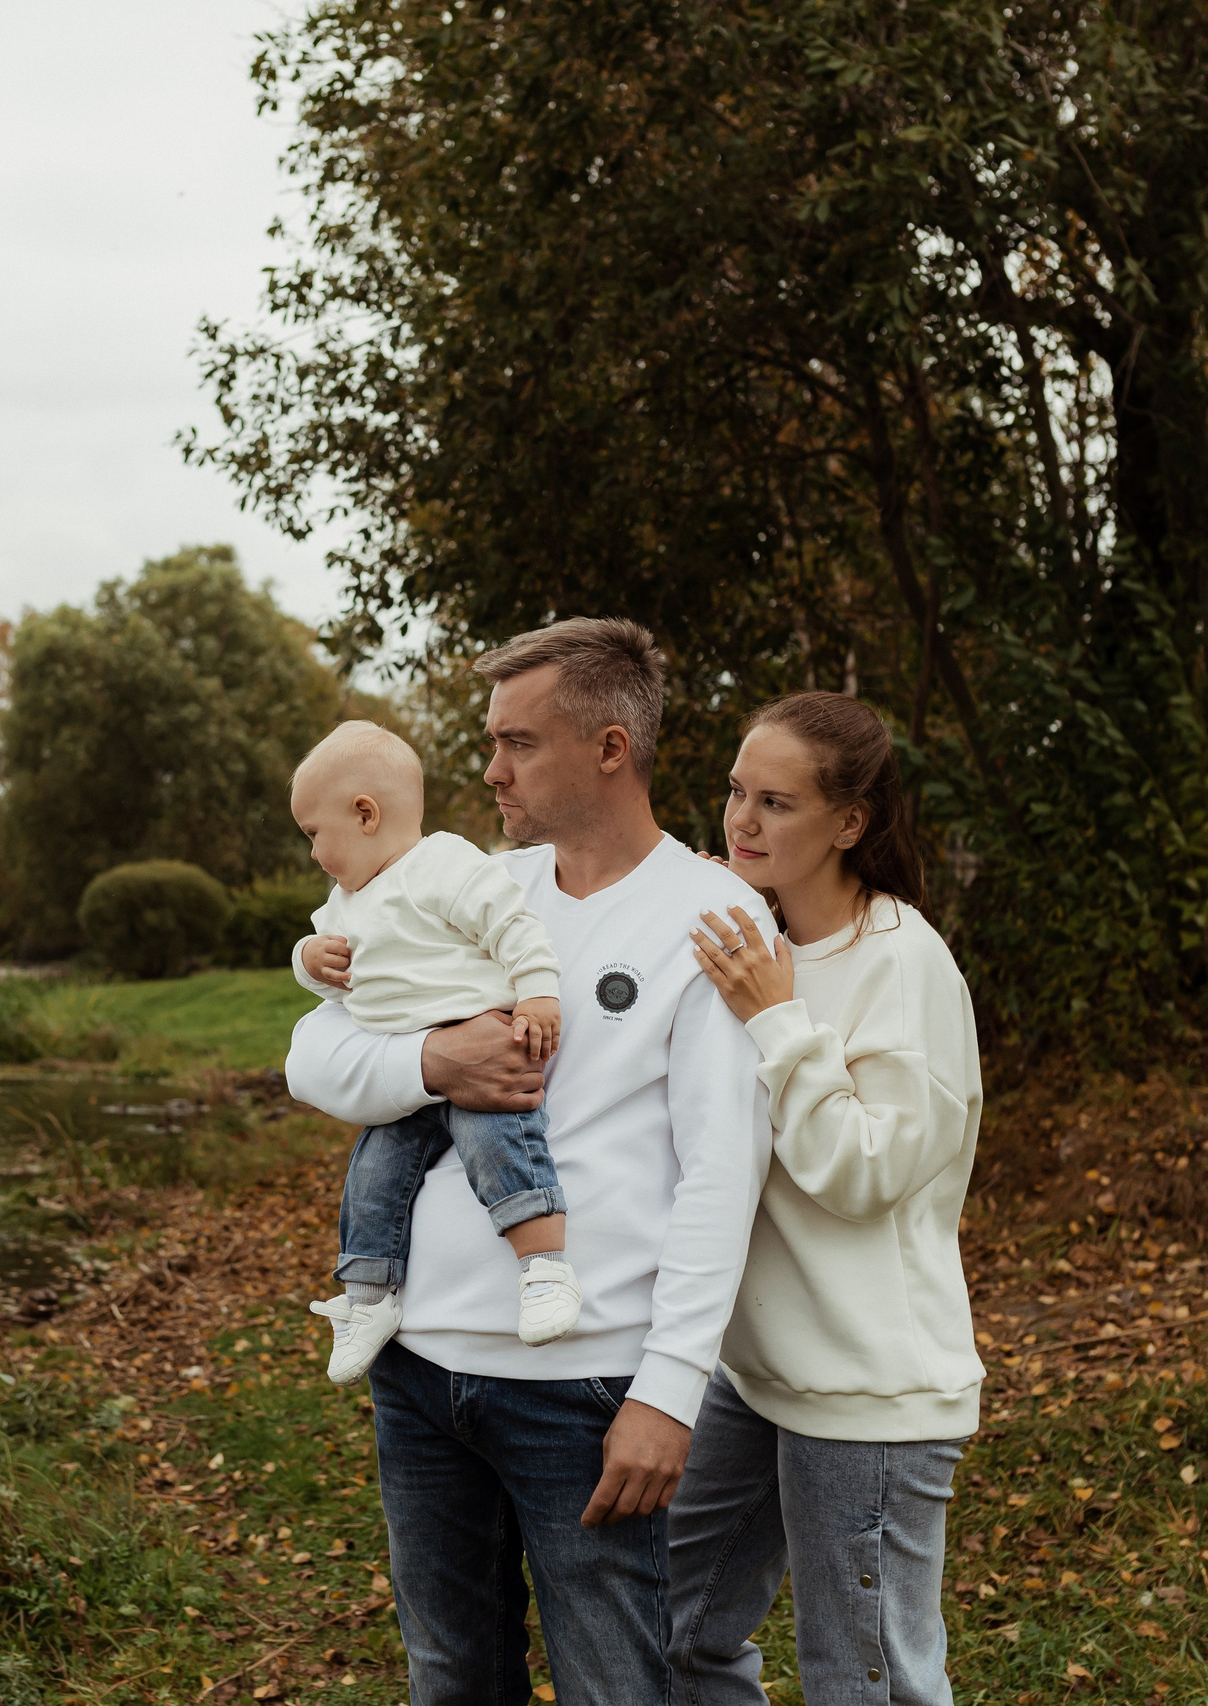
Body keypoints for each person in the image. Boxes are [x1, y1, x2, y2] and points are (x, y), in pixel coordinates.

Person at [284, 617, 774, 1706]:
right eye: (491, 742)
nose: (491, 770)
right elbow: (312, 1054)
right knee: (452, 1678)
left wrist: (669, 1391)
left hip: (584, 1389)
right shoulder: (468, 884)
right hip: (419, 1369)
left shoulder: (713, 916)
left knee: (615, 1686)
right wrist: (432, 1061)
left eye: (518, 743)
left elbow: (722, 1175)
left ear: (609, 748)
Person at [664, 691, 985, 1706]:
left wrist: (777, 1020)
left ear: (849, 823)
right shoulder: (749, 942)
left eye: (777, 802)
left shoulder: (901, 960)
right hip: (756, 1373)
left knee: (864, 1686)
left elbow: (863, 1173)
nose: (742, 820)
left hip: (866, 1391)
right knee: (675, 1628)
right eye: (735, 792)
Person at [287, 718, 582, 1384]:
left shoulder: (444, 865)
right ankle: (369, 1297)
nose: (313, 853)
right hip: (411, 1070)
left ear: (365, 814)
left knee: (501, 1148)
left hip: (484, 1040)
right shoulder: (343, 902)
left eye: (313, 833)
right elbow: (327, 985)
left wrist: (538, 992)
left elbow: (513, 926)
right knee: (373, 1175)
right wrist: (308, 958)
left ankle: (544, 1268)